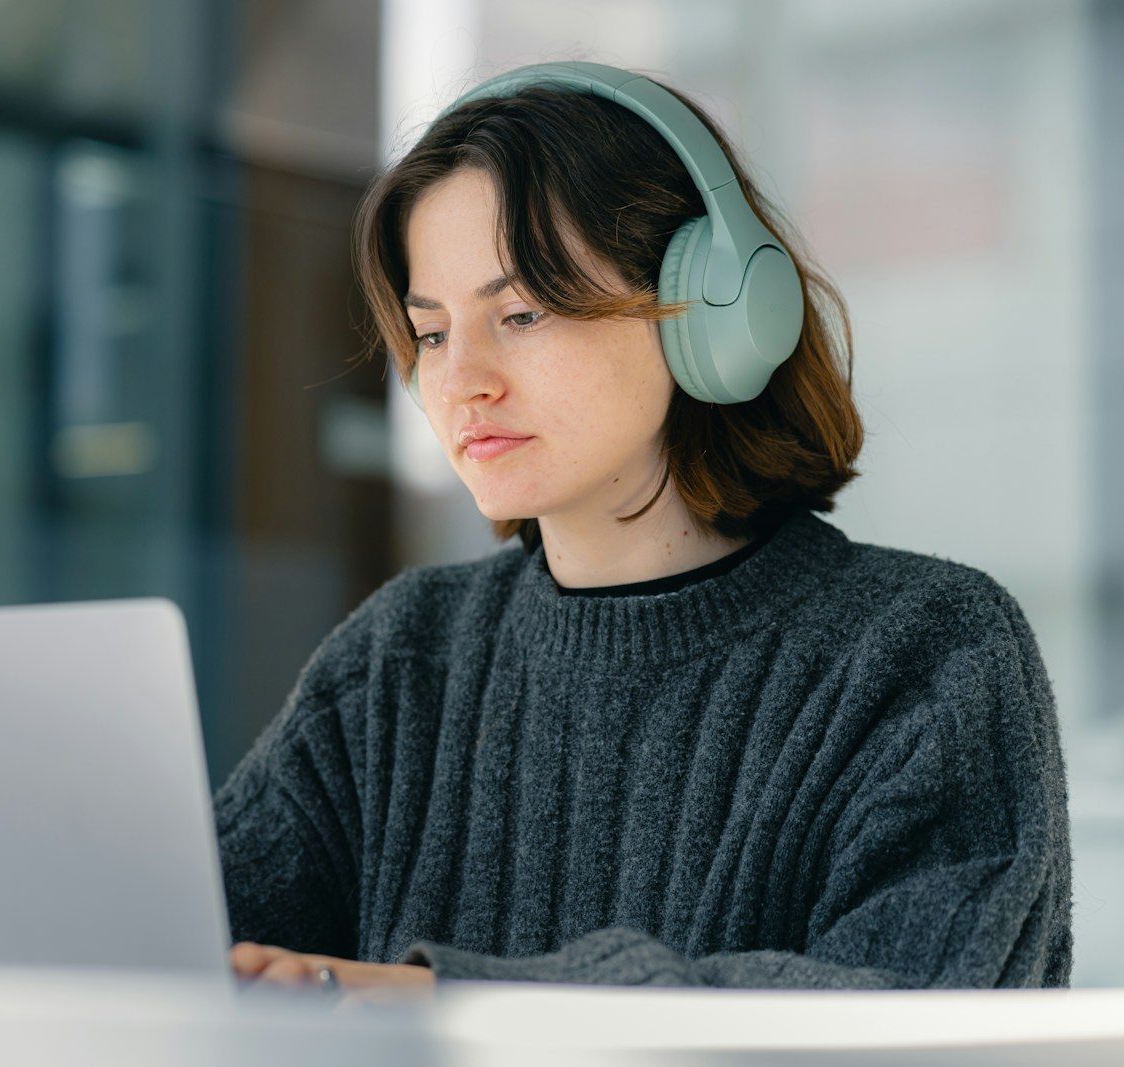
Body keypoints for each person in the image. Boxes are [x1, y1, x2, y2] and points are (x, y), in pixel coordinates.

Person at [216, 61, 1073, 1006]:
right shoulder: (400, 657)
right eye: (431, 333)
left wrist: (443, 1002)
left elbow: (913, 1005)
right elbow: (180, 942)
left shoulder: (926, 649)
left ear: (715, 307)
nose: (463, 381)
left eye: (522, 312)